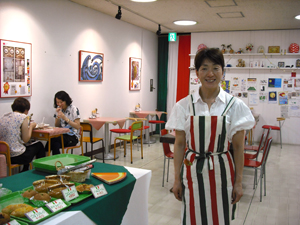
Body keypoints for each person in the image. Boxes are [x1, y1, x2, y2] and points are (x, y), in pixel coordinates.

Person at [165, 48, 255, 224]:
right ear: (197, 72)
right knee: (193, 216)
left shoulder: (235, 106)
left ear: (223, 71)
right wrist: (176, 180)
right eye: (204, 68)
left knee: (220, 216)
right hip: (192, 171)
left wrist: (238, 182)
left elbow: (238, 147)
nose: (210, 73)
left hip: (222, 171)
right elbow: (180, 145)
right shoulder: (184, 105)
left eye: (216, 67)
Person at [0, 97, 45, 171]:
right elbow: (26, 139)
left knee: (24, 147)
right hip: (17, 157)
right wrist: (31, 126)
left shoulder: (4, 116)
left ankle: (25, 169)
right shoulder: (23, 117)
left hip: (4, 155)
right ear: (26, 110)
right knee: (39, 145)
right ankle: (40, 171)